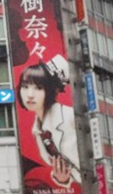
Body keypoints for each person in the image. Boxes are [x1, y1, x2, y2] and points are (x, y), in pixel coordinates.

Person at [16, 56, 80, 187]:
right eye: (25, 86)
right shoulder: (38, 132)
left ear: (50, 91)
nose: (30, 94)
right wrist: (63, 180)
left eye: (38, 88)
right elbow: (69, 173)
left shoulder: (70, 116)